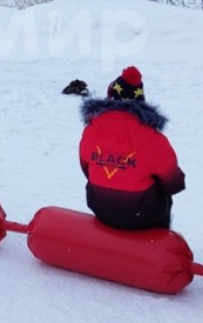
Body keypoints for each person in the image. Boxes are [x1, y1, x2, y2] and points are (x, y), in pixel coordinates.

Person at [78, 66, 185, 230]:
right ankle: (158, 240)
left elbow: (87, 168)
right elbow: (174, 183)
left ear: (110, 98)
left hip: (100, 207)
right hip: (142, 216)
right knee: (164, 194)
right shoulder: (154, 138)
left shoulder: (91, 130)